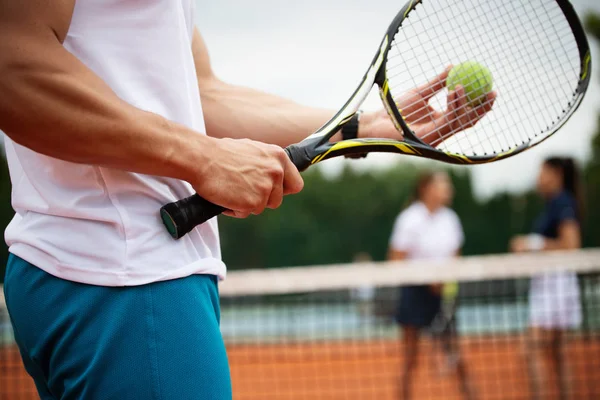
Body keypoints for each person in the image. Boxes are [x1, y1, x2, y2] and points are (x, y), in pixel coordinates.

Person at [0, 2, 493, 399]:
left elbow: (205, 96)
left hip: (97, 272)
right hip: (128, 278)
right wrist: (204, 159)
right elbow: (13, 66)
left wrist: (366, 126)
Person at [388, 171, 473, 400]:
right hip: (414, 294)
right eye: (444, 184)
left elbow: (456, 257)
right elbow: (396, 261)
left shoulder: (451, 219)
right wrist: (427, 279)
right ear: (426, 188)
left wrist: (444, 281)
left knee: (456, 355)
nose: (449, 189)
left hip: (444, 294)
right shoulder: (409, 219)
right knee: (410, 358)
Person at [510, 157, 584, 400]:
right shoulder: (555, 203)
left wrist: (531, 243)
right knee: (558, 353)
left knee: (533, 348)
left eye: (542, 172)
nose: (537, 178)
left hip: (557, 283)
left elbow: (571, 244)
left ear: (556, 174)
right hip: (552, 283)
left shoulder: (562, 201)